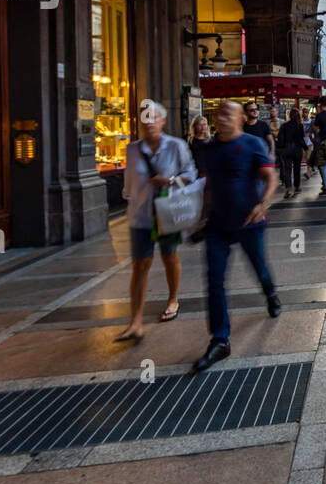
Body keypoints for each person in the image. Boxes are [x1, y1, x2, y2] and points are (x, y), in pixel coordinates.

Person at [192, 101, 281, 373]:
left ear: (242, 119)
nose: (222, 118)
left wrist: (262, 204)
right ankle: (220, 340)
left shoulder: (253, 144)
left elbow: (270, 177)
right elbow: (208, 186)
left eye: (228, 113)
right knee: (215, 281)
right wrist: (202, 217)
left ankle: (271, 294)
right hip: (218, 225)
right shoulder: (209, 149)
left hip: (249, 222)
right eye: (218, 114)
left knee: (260, 269)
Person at [117, 99, 196, 342]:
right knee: (140, 264)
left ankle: (173, 299)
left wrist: (170, 180)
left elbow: (190, 175)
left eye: (154, 117)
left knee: (169, 256)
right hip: (140, 214)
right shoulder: (132, 149)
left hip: (167, 211)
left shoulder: (176, 146)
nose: (149, 122)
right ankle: (135, 321)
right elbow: (128, 184)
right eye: (145, 118)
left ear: (162, 121)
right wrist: (131, 202)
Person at [276, 107, 306, 198]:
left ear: (289, 116)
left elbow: (280, 139)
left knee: (287, 170)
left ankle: (288, 188)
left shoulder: (284, 125)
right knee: (297, 169)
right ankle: (297, 187)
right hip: (297, 150)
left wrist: (280, 148)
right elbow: (301, 139)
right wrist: (305, 147)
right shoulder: (299, 125)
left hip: (287, 149)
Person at [187, 113, 213, 178]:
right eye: (200, 125)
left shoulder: (212, 140)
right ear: (195, 126)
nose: (203, 127)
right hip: (194, 173)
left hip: (210, 173)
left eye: (205, 124)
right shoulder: (190, 140)